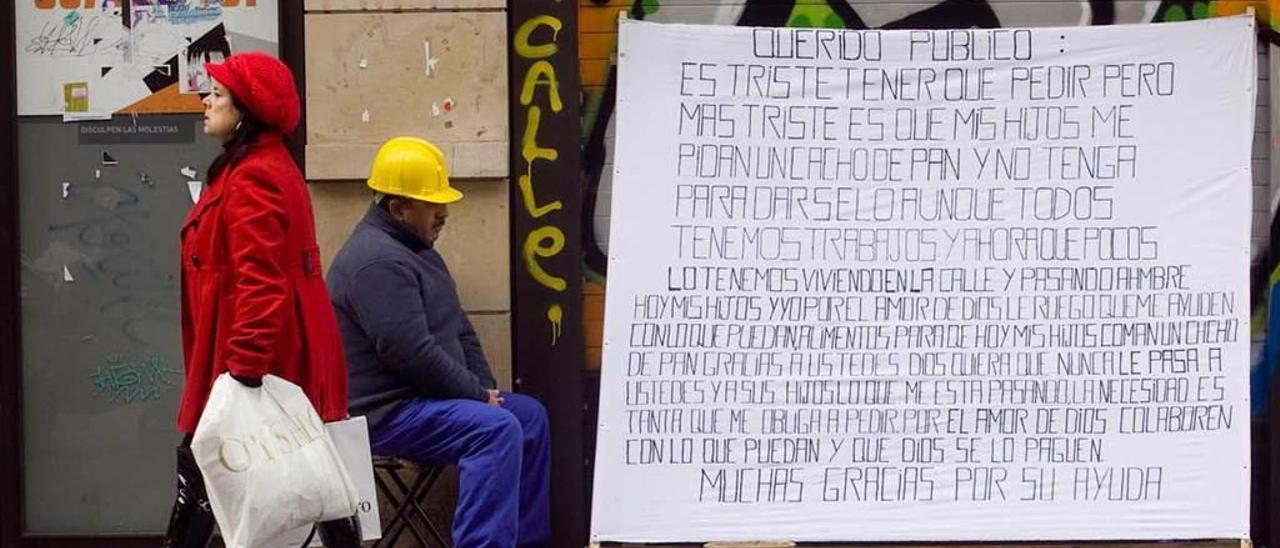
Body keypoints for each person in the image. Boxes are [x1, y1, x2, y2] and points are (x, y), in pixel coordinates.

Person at [163, 52, 360, 547]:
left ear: (246, 109)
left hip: (261, 354)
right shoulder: (253, 166)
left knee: (208, 463)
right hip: (266, 349)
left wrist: (243, 372)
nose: (206, 101)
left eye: (219, 94)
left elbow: (262, 280)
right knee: (298, 461)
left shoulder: (254, 175)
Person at [327, 137, 551, 548]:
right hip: (384, 414)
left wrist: (484, 390)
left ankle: (528, 542)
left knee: (529, 416)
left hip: (425, 401)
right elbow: (409, 354)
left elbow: (459, 328)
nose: (444, 214)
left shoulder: (415, 248)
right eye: (434, 206)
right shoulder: (377, 262)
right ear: (398, 208)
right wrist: (476, 398)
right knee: (495, 430)